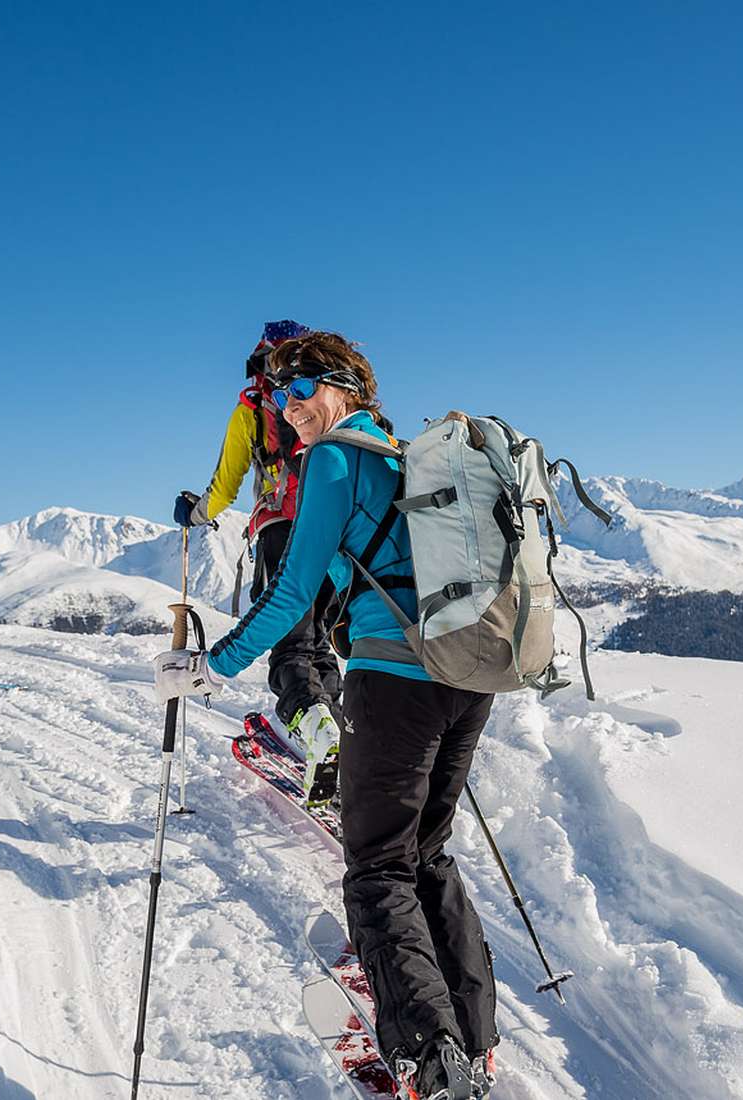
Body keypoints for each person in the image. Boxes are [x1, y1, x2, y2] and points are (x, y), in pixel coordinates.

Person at [155, 332, 498, 1099]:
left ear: (345, 387)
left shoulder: (333, 461)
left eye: (301, 386)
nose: (287, 405)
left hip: (395, 682)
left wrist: (210, 667)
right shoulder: (407, 456)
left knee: (377, 868)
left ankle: (430, 1062)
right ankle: (474, 1042)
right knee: (428, 856)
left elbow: (291, 592)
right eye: (277, 394)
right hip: (466, 677)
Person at [172, 320, 345, 803]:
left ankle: (319, 734)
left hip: (279, 530)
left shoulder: (253, 409)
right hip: (333, 534)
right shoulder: (325, 399)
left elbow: (225, 485)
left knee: (290, 647)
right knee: (320, 646)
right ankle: (333, 732)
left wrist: (195, 512)